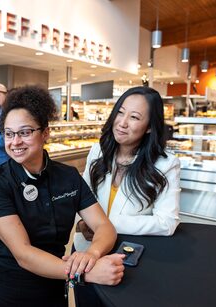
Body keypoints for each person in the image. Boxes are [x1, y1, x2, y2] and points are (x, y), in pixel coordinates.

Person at [0, 85, 125, 307]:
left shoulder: (68, 177)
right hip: (11, 293)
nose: (15, 141)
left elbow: (104, 227)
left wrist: (92, 254)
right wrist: (85, 274)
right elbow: (24, 254)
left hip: (55, 287)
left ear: (45, 133)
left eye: (25, 132)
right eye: (9, 133)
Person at [73, 86, 181, 306]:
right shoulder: (99, 151)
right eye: (120, 113)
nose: (122, 122)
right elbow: (81, 197)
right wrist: (81, 222)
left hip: (126, 257)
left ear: (150, 127)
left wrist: (103, 226)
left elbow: (166, 223)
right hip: (85, 252)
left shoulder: (166, 164)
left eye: (134, 117)